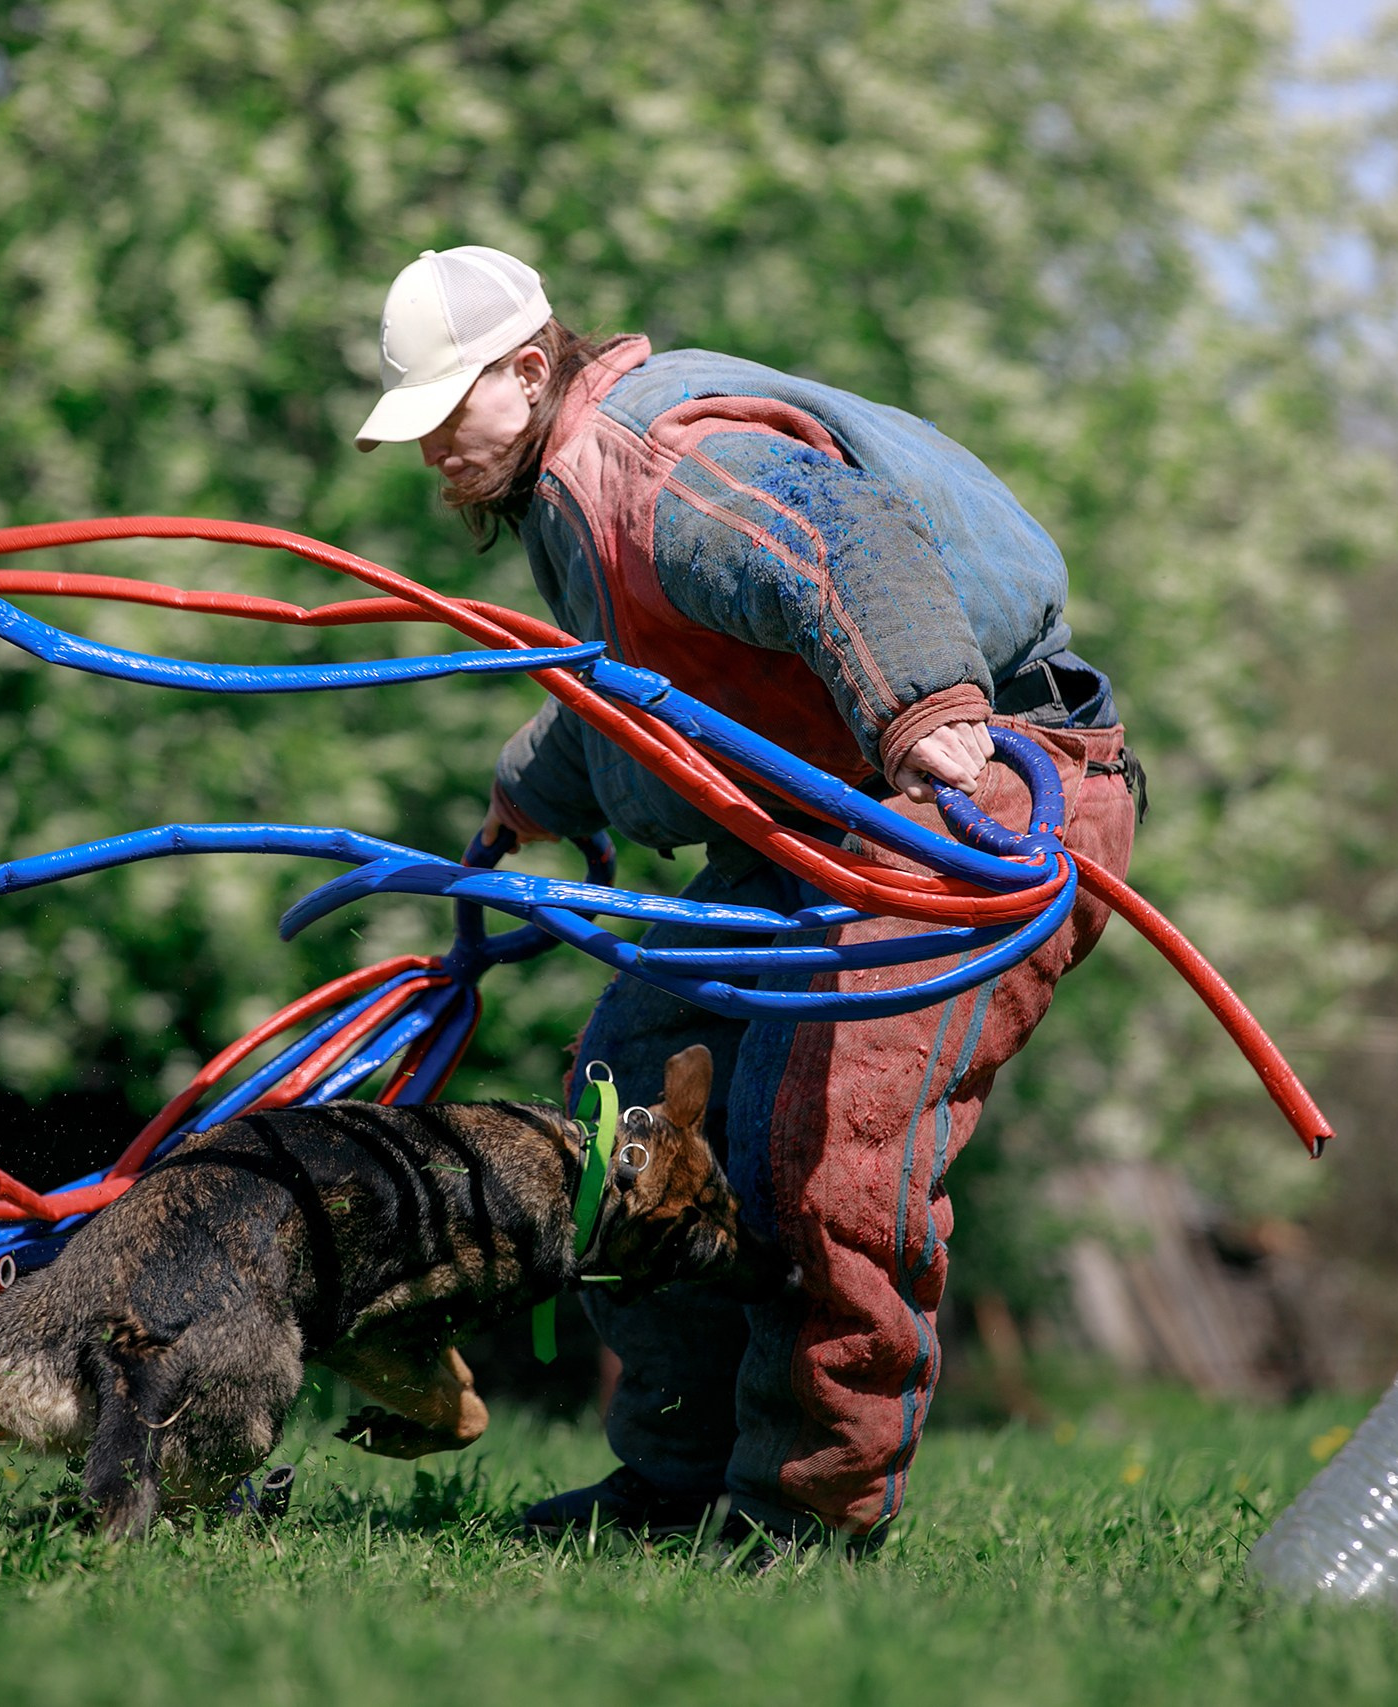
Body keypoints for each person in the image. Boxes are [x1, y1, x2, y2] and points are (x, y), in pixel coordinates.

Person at [355, 246, 1140, 1548]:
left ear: (532, 368)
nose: (434, 449)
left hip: (980, 786)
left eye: (449, 410)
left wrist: (929, 714)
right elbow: (652, 681)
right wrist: (532, 791)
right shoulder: (567, 495)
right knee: (627, 1105)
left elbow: (832, 538)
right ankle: (673, 1484)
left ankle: (803, 1520)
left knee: (828, 1144)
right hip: (828, 816)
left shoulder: (656, 459)